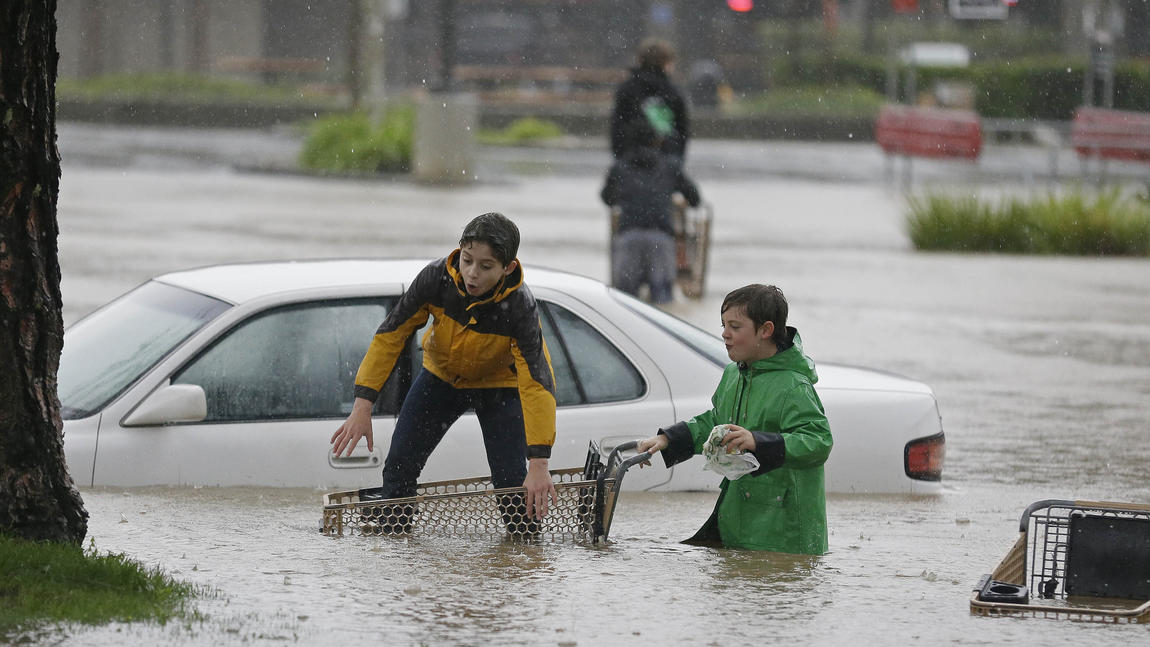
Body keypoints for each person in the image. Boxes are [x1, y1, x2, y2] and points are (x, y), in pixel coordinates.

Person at [330, 212, 558, 521]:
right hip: (441, 379)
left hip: (499, 387)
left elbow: (536, 383)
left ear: (508, 268)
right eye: (467, 260)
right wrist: (362, 405)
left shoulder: (519, 306)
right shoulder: (436, 279)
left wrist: (540, 464)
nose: (472, 274)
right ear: (459, 252)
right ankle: (393, 558)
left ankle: (523, 561)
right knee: (398, 469)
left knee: (512, 488)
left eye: (485, 266)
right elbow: (391, 336)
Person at [636, 284, 833, 554]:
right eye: (723, 325)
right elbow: (715, 422)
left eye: (735, 327)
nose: (724, 334)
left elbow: (818, 441)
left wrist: (757, 441)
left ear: (765, 330)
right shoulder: (733, 374)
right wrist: (668, 438)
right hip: (740, 522)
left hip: (785, 535)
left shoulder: (794, 386)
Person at [600, 119, 700, 305]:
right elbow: (694, 198)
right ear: (657, 141)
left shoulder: (620, 167)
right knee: (662, 303)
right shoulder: (670, 166)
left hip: (628, 237)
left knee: (624, 302)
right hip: (660, 240)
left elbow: (607, 198)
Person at [610, 37, 689, 160]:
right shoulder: (672, 92)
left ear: (640, 60)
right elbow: (681, 131)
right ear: (667, 64)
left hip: (631, 161)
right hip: (665, 162)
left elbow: (617, 128)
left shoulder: (627, 89)